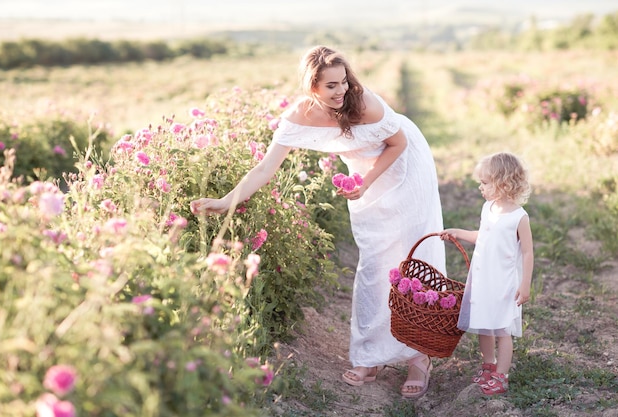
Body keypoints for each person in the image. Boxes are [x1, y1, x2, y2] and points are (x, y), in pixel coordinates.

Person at [190, 45, 446, 398]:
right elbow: (266, 167)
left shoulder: (365, 103)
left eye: (343, 81)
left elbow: (397, 143)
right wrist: (226, 201)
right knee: (375, 263)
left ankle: (419, 356)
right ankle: (371, 355)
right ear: (312, 87)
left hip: (403, 167)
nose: (341, 90)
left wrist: (366, 182)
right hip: (364, 174)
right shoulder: (300, 116)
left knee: (414, 256)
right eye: (330, 86)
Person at [439, 152, 534, 396]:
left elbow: (527, 253)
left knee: (502, 329)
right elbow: (484, 237)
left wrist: (525, 285)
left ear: (503, 182)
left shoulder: (519, 217)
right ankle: (488, 365)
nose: (480, 187)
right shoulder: (488, 208)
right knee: (483, 325)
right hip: (482, 279)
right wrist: (459, 232)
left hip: (503, 283)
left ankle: (501, 376)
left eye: (484, 182)